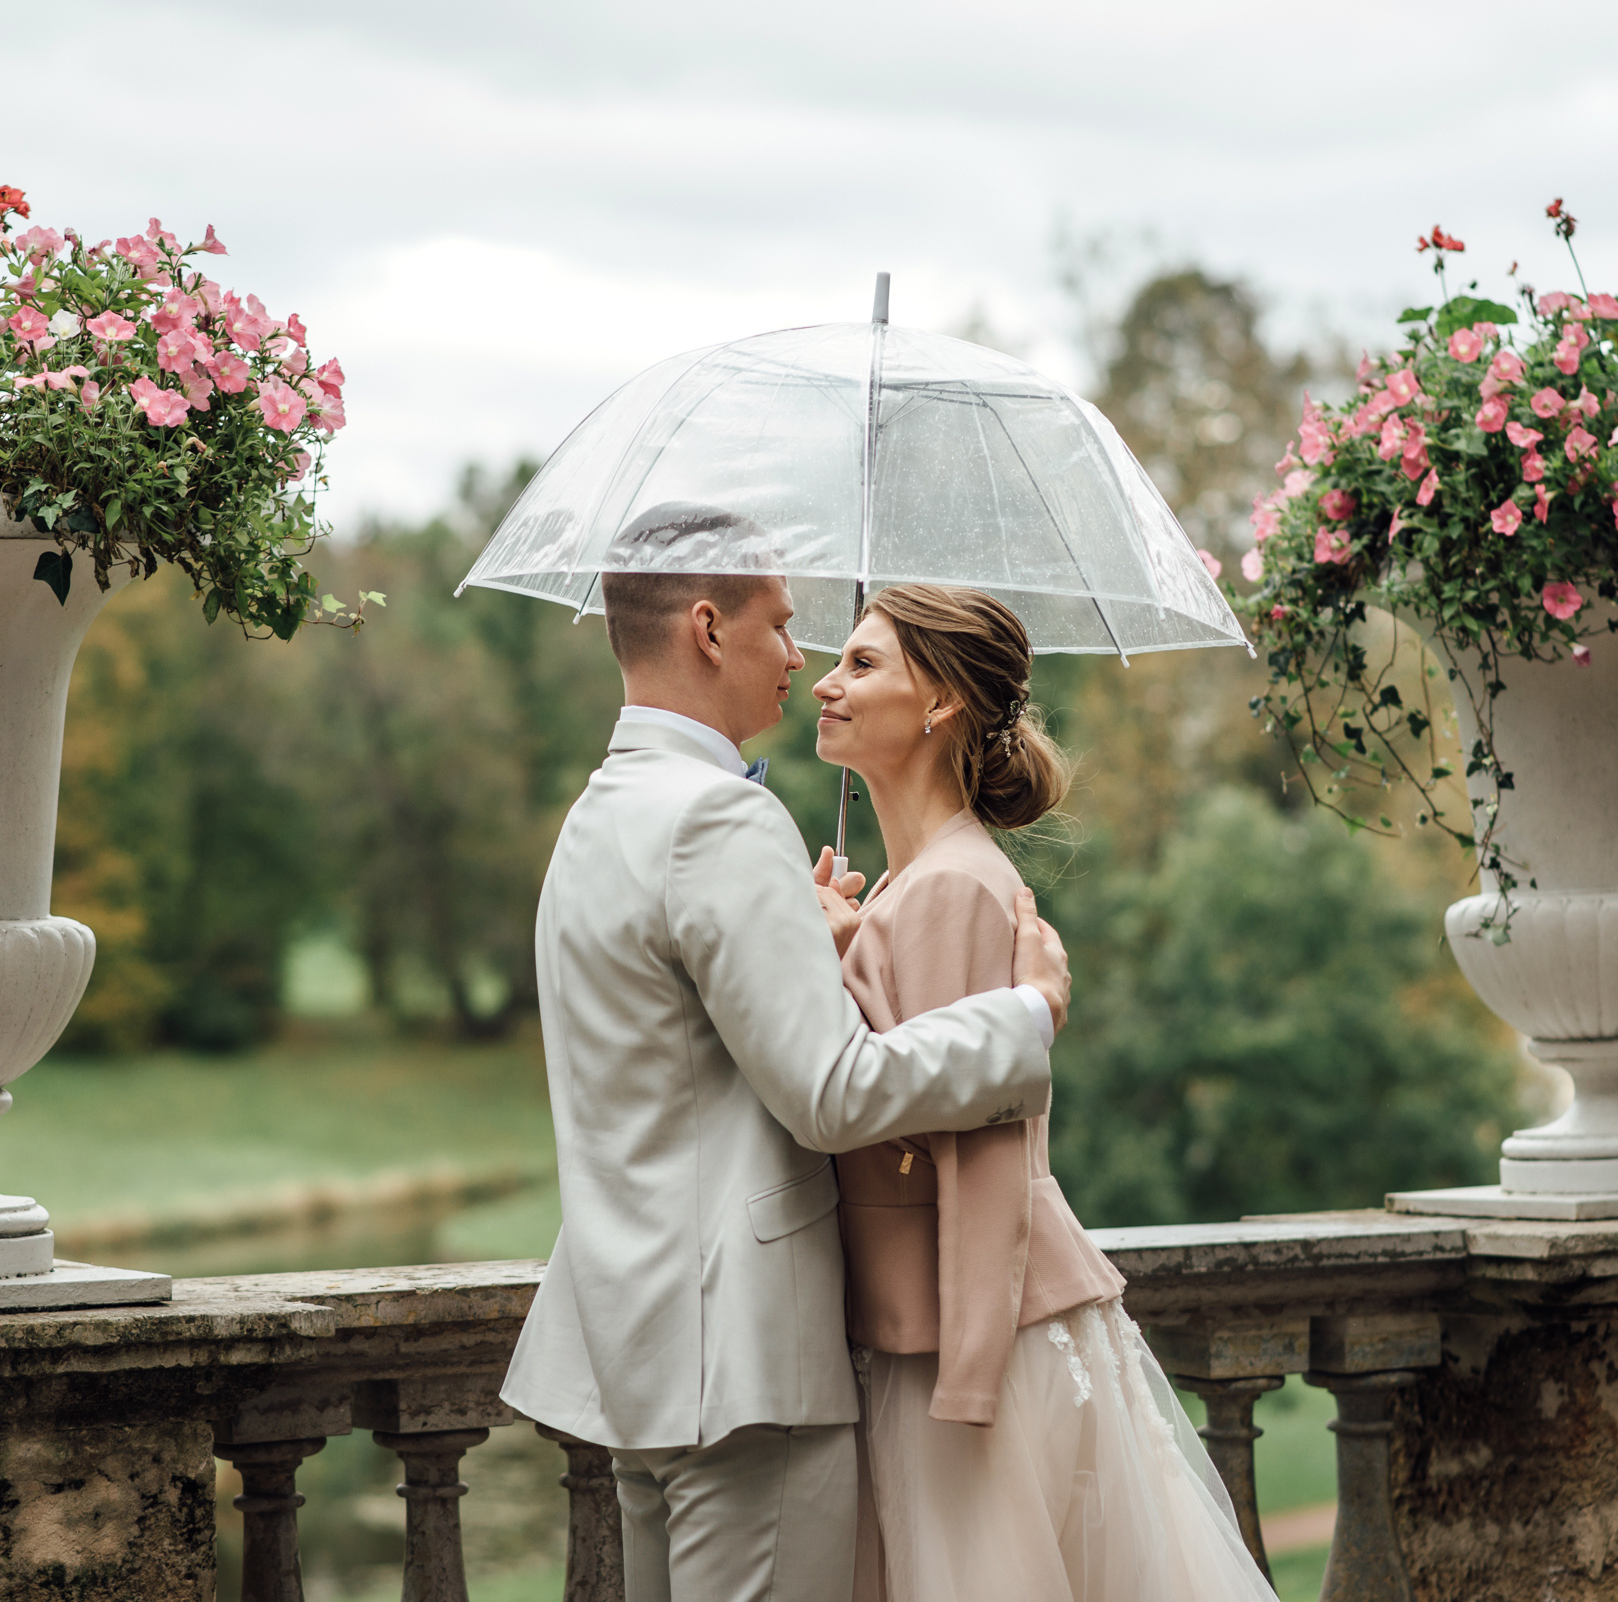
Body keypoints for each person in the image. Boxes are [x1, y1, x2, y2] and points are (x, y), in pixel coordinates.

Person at [500, 504, 1077, 1602]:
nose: (798, 658)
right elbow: (833, 1094)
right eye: (781, 624)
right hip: (744, 1363)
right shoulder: (720, 821)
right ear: (709, 630)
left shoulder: (598, 814)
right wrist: (1025, 1018)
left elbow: (671, 1058)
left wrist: (798, 947)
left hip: (636, 1352)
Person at [813, 582, 1277, 1602]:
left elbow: (984, 1157)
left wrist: (970, 1378)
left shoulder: (951, 887)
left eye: (860, 664)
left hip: (966, 1340)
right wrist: (838, 953)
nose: (823, 683)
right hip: (926, 1324)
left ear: (938, 702)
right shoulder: (901, 887)